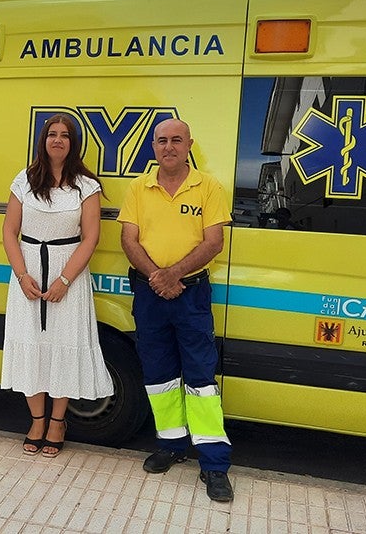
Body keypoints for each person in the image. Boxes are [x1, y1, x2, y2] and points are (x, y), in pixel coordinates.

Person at [117, 118, 234, 503]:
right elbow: (128, 238)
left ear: (189, 145)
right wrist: (156, 276)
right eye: (162, 140)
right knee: (159, 374)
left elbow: (214, 241)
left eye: (176, 140)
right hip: (150, 293)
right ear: (153, 146)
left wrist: (173, 275)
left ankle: (214, 465)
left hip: (191, 293)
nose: (169, 146)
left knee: (200, 379)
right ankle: (171, 444)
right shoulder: (139, 187)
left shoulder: (208, 186)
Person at [0, 114, 114, 457]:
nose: (58, 140)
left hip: (70, 276)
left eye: (65, 135)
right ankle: (37, 419)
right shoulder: (24, 180)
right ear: (43, 140)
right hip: (28, 274)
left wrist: (65, 280)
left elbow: (91, 237)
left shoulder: (86, 186)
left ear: (73, 142)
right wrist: (22, 275)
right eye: (52, 134)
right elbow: (9, 232)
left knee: (64, 345)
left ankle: (57, 421)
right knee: (31, 344)